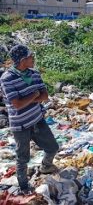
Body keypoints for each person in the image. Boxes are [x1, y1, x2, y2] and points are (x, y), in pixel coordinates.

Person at [0, 45, 59, 194]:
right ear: (22, 60)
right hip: (20, 125)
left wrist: (30, 98)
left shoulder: (34, 73)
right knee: (23, 157)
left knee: (53, 147)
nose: (33, 59)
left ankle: (46, 166)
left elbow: (44, 97)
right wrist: (34, 95)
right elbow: (17, 104)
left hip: (37, 119)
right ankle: (24, 186)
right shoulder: (7, 78)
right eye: (30, 56)